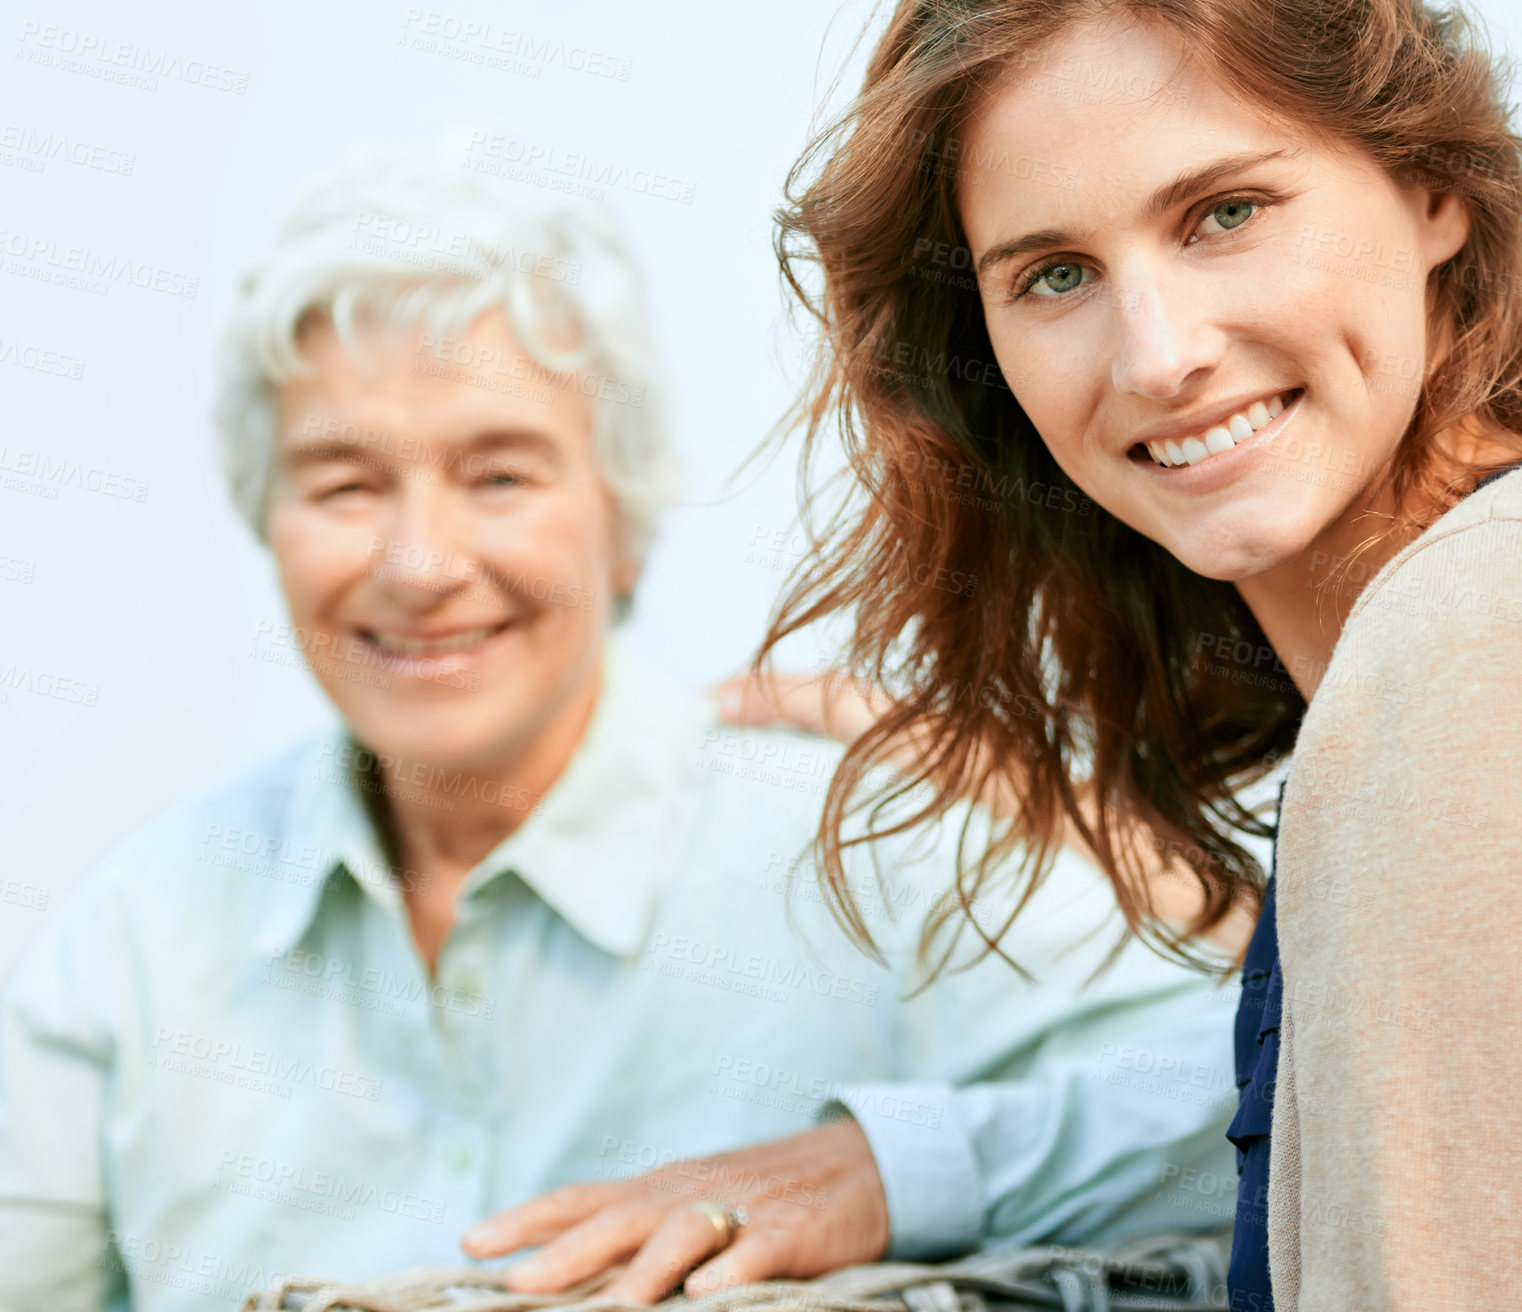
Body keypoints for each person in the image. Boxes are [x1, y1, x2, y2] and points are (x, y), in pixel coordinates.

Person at [0, 167, 1243, 1312]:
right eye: (343, 484)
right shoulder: (139, 932)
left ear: (625, 524)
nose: (421, 564)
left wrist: (887, 1168)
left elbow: (1263, 1107)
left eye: (500, 476)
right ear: (266, 525)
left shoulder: (861, 840)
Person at [738, 0, 1522, 1307]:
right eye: (1052, 275)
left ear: (1431, 185)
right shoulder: (1415, 670)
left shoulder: (1465, 635)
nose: (1160, 357)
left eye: (1225, 213)